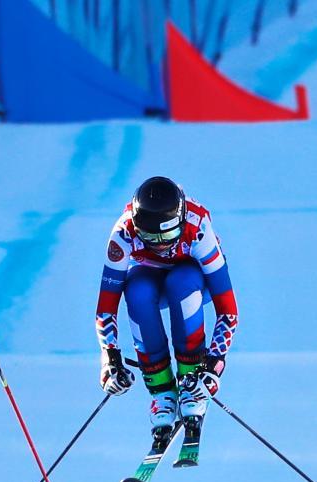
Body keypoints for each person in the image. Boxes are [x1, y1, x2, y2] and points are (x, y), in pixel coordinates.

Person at [95, 176, 238, 465]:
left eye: (168, 236)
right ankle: (162, 392)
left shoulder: (198, 228)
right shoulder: (123, 234)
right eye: (150, 239)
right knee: (137, 292)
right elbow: (106, 309)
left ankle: (190, 383)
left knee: (181, 282)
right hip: (149, 279)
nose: (161, 246)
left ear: (181, 222)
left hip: (192, 283)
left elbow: (228, 310)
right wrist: (109, 360)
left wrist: (213, 367)